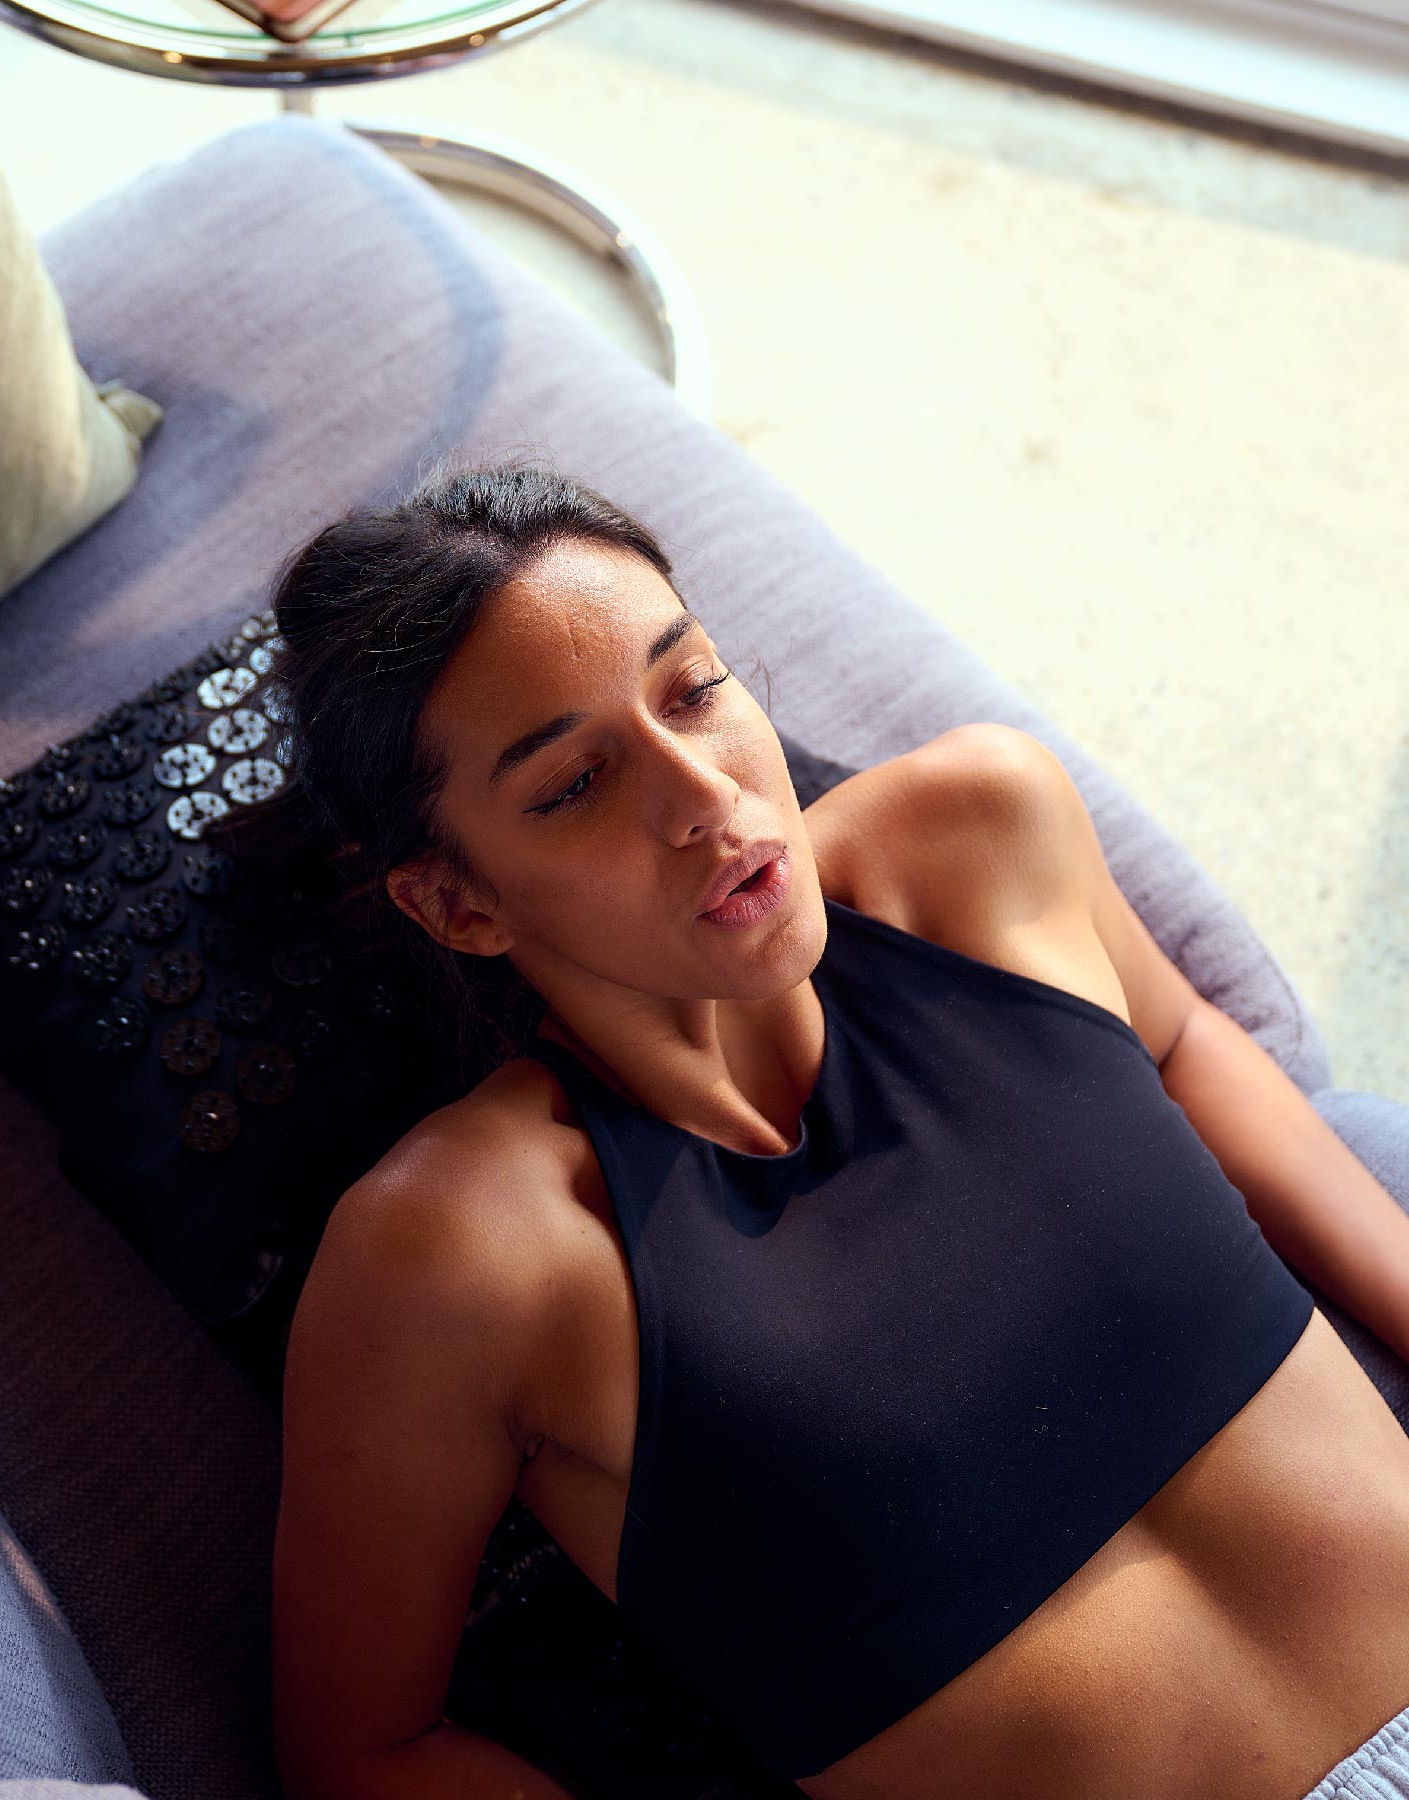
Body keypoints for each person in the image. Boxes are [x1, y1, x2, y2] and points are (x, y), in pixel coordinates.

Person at [264, 454, 1409, 1800]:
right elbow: (357, 1749)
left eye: (692, 687)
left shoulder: (979, 831)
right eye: (575, 784)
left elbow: (1184, 1043)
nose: (705, 797)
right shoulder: (467, 1253)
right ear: (461, 907)